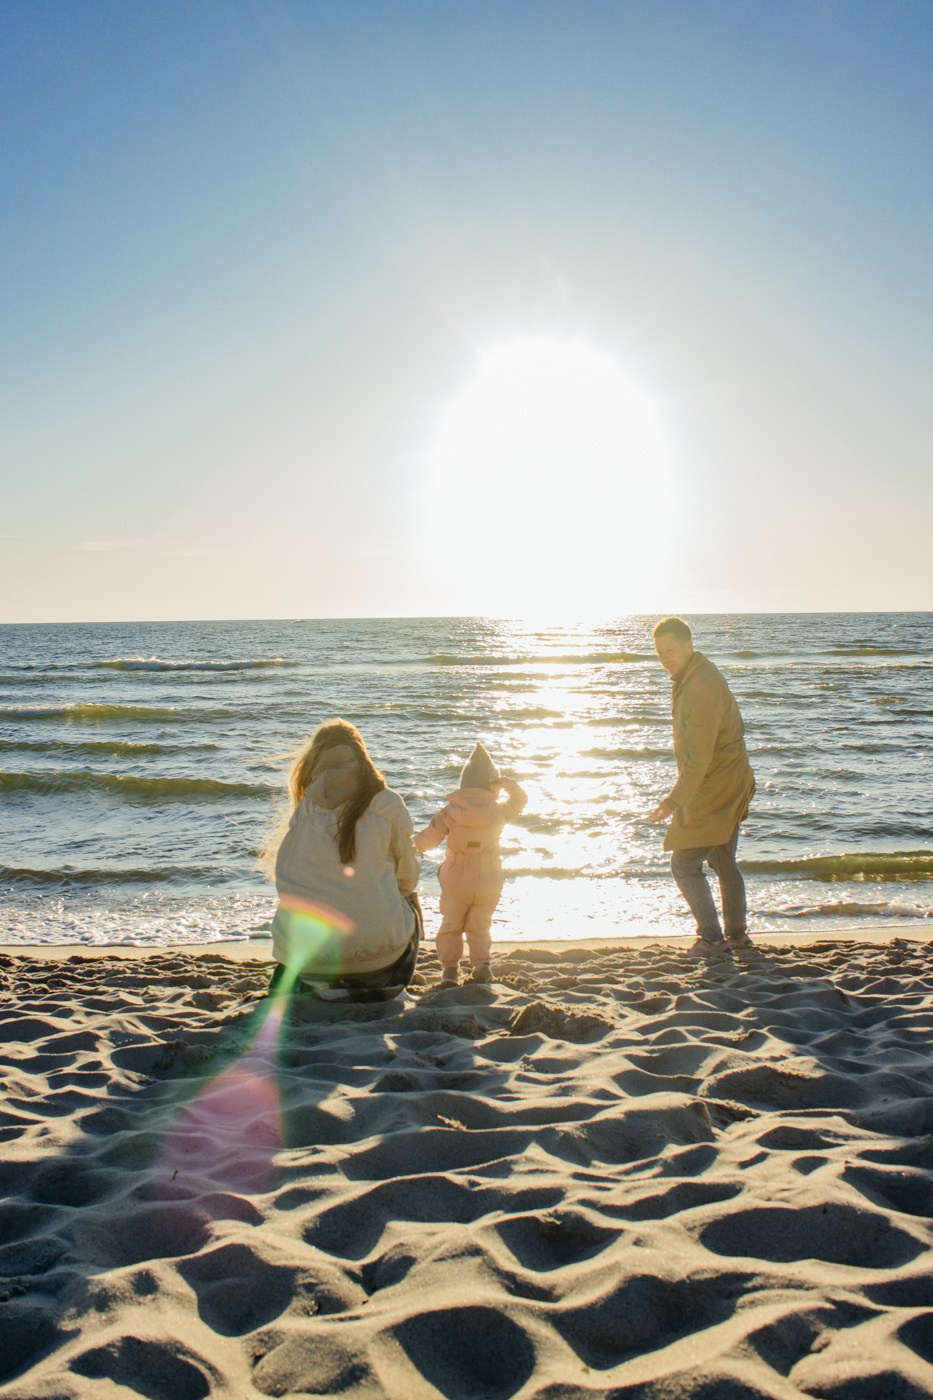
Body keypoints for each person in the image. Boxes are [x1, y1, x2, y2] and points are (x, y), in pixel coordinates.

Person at [263, 719, 422, 1000]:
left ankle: (318, 985)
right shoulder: (387, 803)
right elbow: (407, 880)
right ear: (362, 758)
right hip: (380, 958)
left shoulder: (305, 811)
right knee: (409, 898)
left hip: (311, 964)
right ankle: (389, 981)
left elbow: (287, 882)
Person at [648, 617, 755, 957]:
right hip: (729, 780)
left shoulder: (700, 686)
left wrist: (673, 801)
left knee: (683, 864)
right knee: (723, 860)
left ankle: (711, 938)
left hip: (718, 786)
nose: (665, 658)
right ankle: (737, 936)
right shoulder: (693, 676)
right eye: (660, 652)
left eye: (671, 650)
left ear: (688, 646)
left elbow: (700, 759)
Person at [415, 742, 527, 986]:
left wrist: (409, 847)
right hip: (489, 875)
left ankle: (450, 969)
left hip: (456, 874)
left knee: (451, 922)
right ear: (492, 784)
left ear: (463, 784)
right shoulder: (499, 810)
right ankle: (481, 966)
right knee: (480, 923)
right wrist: (507, 784)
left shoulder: (451, 811)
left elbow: (428, 838)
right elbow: (520, 800)